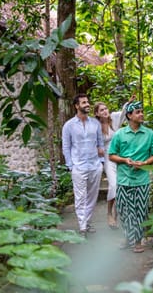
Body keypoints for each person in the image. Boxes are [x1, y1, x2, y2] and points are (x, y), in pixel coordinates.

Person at [108, 101, 153, 253]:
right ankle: (126, 237)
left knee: (140, 211)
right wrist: (125, 160)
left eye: (142, 111)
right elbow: (111, 155)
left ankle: (137, 241)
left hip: (142, 180)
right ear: (129, 116)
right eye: (138, 112)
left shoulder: (150, 134)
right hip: (124, 179)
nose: (141, 114)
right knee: (124, 211)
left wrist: (144, 163)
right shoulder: (119, 134)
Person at [62, 93, 104, 237]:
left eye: (87, 102)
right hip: (78, 166)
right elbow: (66, 147)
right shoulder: (68, 125)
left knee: (92, 197)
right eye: (84, 102)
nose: (87, 104)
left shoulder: (95, 123)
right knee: (80, 197)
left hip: (95, 165)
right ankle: (82, 227)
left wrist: (101, 162)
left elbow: (100, 143)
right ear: (76, 106)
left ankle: (86, 222)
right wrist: (70, 166)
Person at [94, 95, 135, 229]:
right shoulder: (95, 127)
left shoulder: (114, 119)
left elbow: (123, 112)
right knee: (113, 185)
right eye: (101, 110)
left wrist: (128, 102)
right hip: (108, 157)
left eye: (105, 108)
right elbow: (92, 142)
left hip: (120, 156)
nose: (105, 111)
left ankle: (117, 217)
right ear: (97, 114)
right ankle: (109, 213)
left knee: (121, 186)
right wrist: (98, 149)